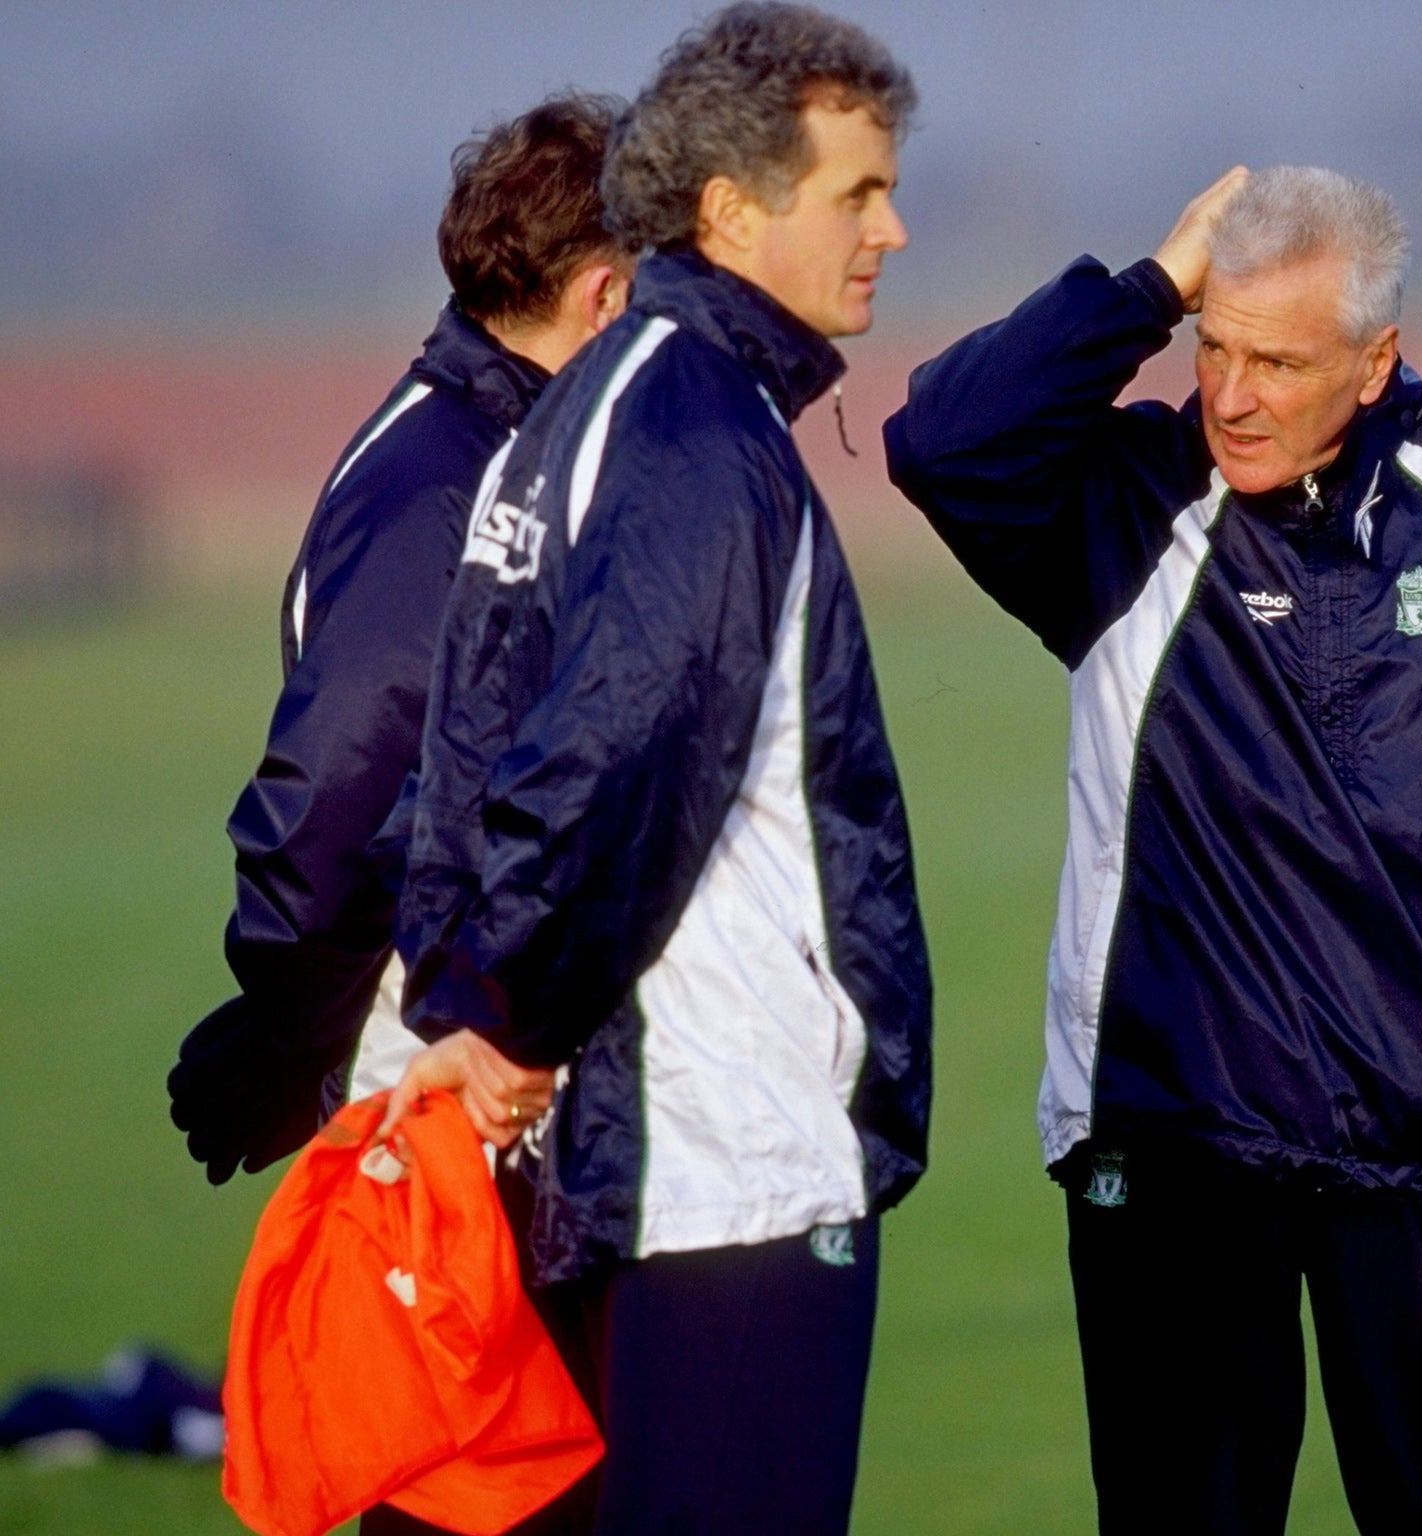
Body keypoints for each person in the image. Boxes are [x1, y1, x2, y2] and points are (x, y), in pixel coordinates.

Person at [884, 166, 1422, 1533]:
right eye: (1216, 350)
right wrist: (1148, 288)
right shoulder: (1127, 507)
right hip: (1175, 1141)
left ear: (1374, 363)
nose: (1232, 397)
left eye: (1278, 362)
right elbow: (942, 445)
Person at [383, 6, 931, 1531]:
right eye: (857, 193)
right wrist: (507, 1019)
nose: (893, 227)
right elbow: (612, 758)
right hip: (719, 1160)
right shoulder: (692, 428)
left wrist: (472, 1008)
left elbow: (468, 761)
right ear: (731, 209)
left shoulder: (589, 405)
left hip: (615, 1154)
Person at [168, 94, 631, 1186]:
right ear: (603, 294)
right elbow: (340, 781)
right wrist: (300, 1026)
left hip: (476, 1059)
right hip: (434, 1079)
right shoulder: (444, 489)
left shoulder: (500, 446)